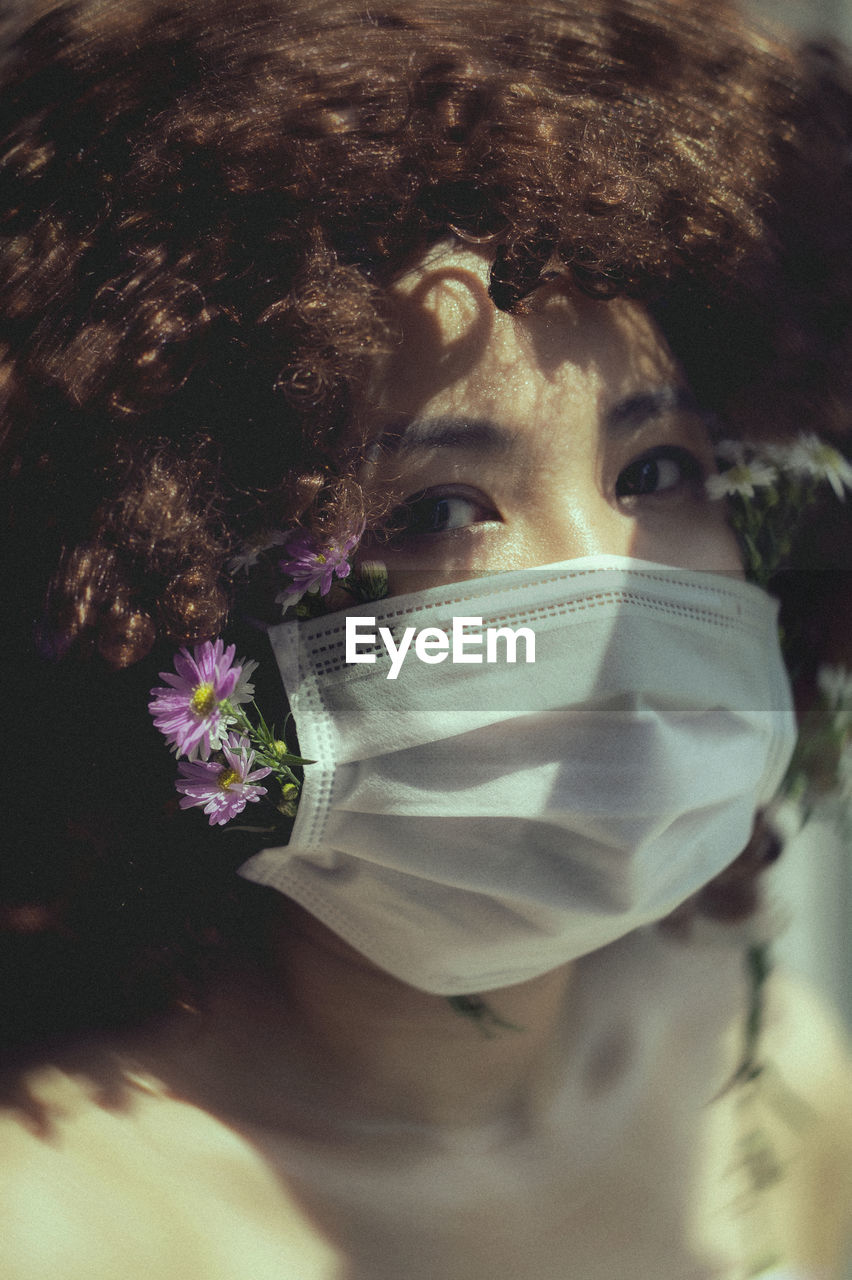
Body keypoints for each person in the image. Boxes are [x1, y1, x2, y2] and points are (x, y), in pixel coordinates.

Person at [0, 0, 850, 1276]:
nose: (607, 586)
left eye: (658, 468)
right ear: (176, 616)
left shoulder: (748, 1043)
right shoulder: (58, 1221)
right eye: (444, 509)